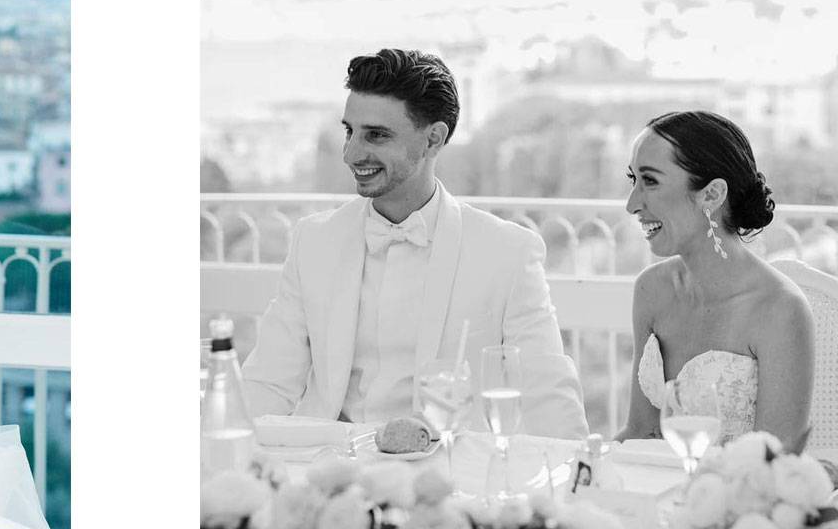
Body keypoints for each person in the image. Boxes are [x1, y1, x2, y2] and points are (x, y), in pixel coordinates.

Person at [240, 48, 589, 439]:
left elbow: (548, 394)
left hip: (448, 478)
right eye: (349, 131)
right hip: (332, 469)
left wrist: (577, 485)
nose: (352, 153)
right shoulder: (314, 242)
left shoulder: (507, 252)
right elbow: (268, 381)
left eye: (376, 135)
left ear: (432, 140)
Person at [617, 110, 813, 450]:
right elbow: (639, 432)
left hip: (739, 498)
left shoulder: (780, 310)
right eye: (633, 180)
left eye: (650, 181)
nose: (632, 204)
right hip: (657, 495)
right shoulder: (651, 290)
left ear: (711, 194)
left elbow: (774, 466)